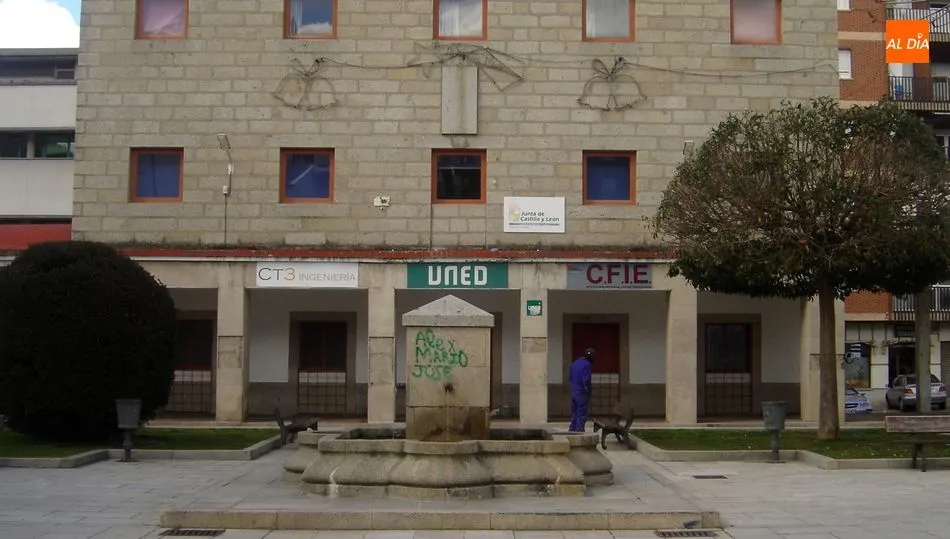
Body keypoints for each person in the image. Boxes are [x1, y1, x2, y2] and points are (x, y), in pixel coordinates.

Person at [568, 348, 594, 432]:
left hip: (574, 390)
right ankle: (579, 431)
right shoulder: (587, 364)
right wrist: (588, 390)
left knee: (574, 412)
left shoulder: (575, 363)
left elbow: (570, 377)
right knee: (581, 413)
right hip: (582, 392)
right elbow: (586, 380)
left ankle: (572, 429)